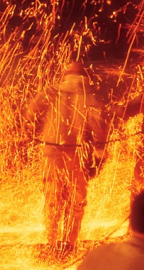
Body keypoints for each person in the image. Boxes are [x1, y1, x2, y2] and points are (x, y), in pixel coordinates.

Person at [27, 61, 108, 259]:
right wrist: (99, 151)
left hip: (51, 151)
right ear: (85, 77)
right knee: (76, 200)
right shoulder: (89, 96)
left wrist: (33, 131)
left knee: (53, 198)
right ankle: (70, 244)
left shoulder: (51, 92)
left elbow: (29, 114)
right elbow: (97, 124)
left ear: (65, 76)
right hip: (77, 154)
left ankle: (52, 241)